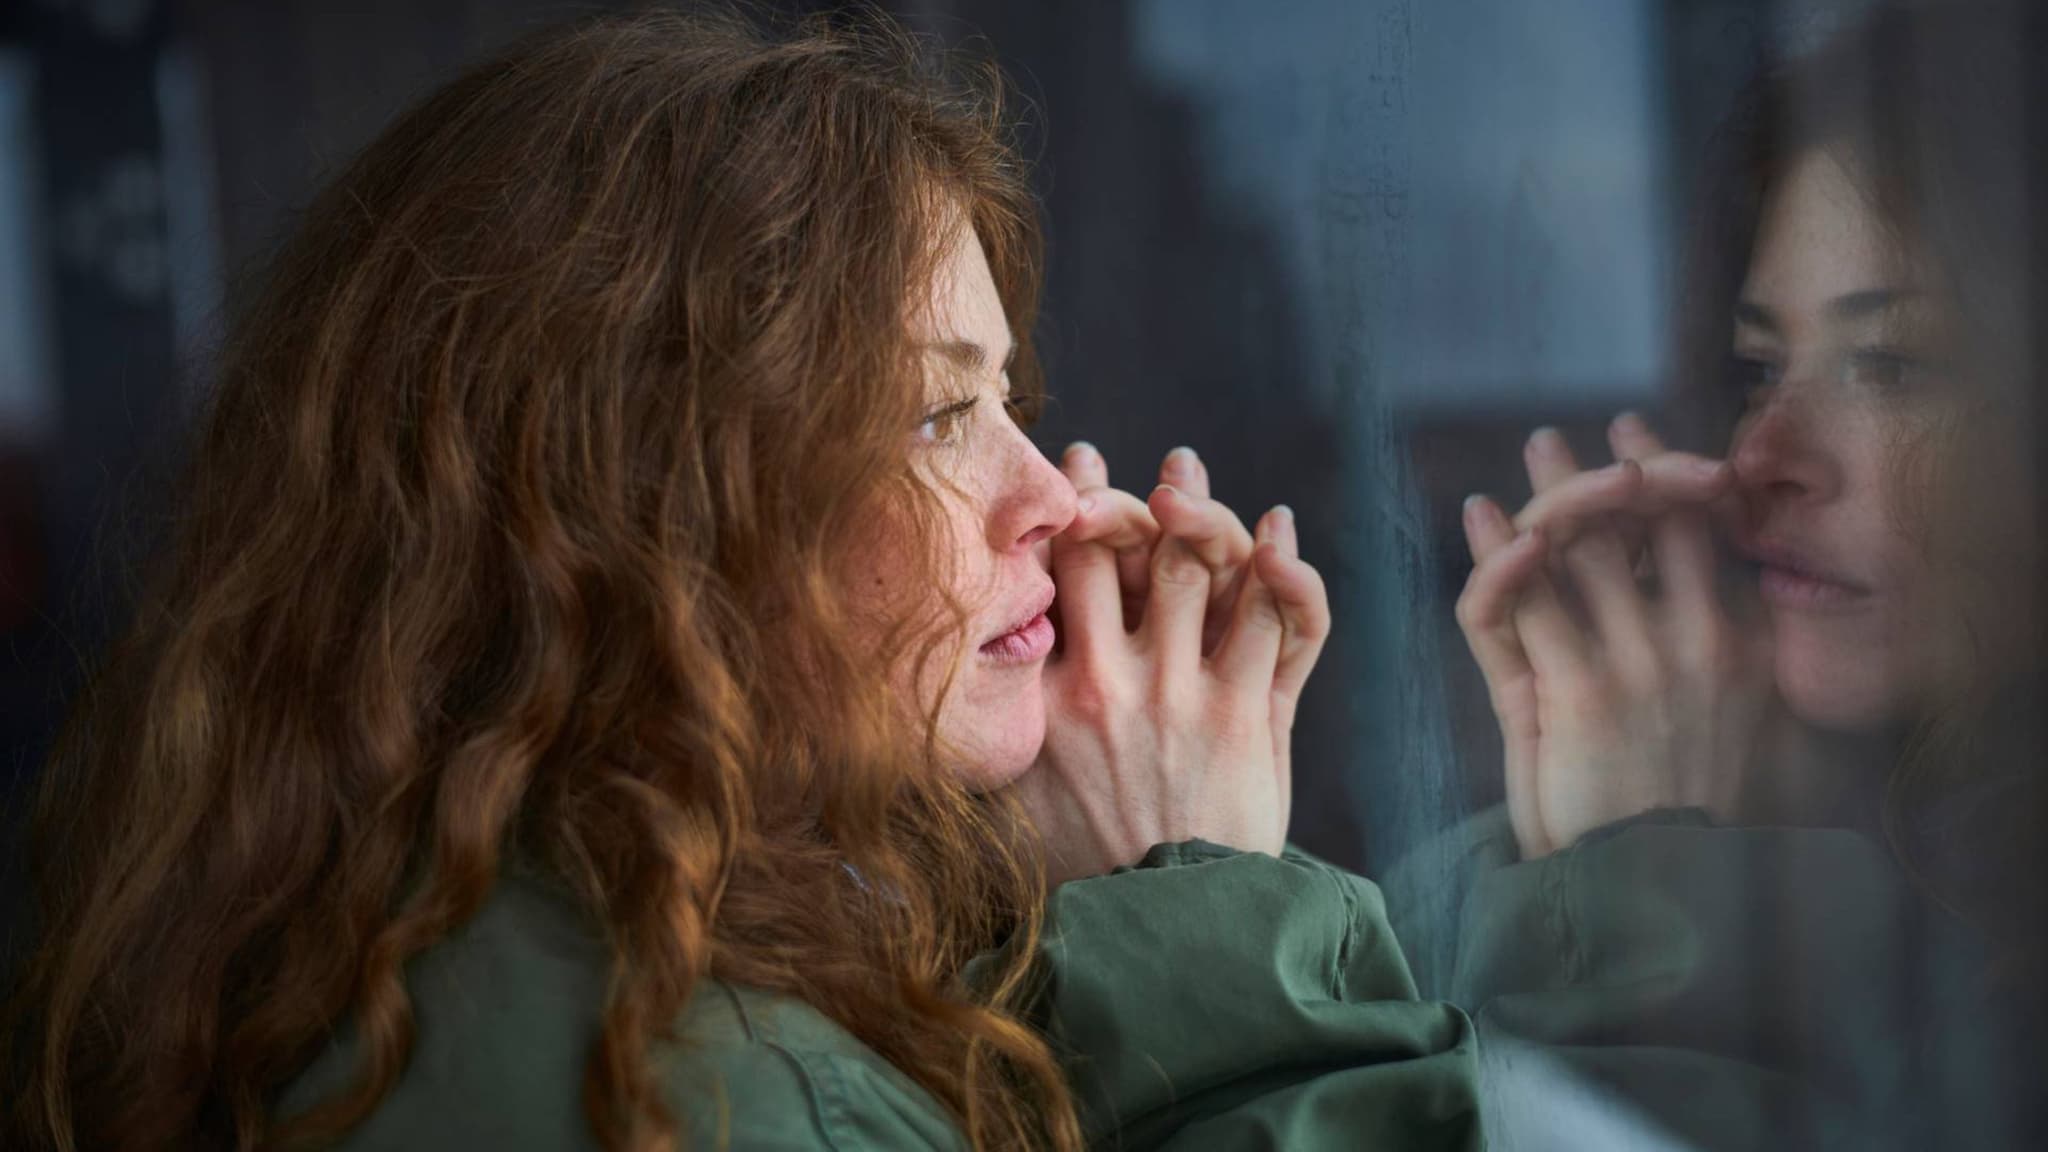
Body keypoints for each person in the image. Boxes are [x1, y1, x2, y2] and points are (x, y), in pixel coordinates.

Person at [0, 9, 1482, 1152]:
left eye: (1010, 405)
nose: (1061, 500)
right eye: (933, 414)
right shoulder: (704, 1084)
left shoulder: (443, 925)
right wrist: (1210, 923)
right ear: (640, 508)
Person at [1423, 1, 2048, 1147]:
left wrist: (1644, 882)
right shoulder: (1786, 794)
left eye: (1890, 364)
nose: (1762, 457)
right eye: (1757, 367)